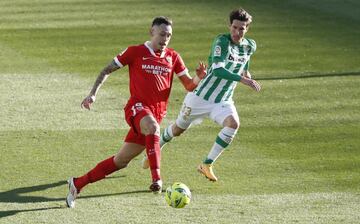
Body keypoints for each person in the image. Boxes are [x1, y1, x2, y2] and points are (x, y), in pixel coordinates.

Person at [66, 16, 206, 208]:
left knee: (120, 161)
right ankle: (157, 179)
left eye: (169, 35)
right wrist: (92, 94)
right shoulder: (136, 52)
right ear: (152, 32)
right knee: (153, 127)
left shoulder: (173, 57)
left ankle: (78, 183)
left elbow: (189, 86)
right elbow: (107, 69)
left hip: (154, 117)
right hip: (136, 108)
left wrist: (198, 78)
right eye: (162, 34)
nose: (165, 39)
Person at [142, 8, 261, 182]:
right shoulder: (221, 42)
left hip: (223, 100)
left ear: (247, 29)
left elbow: (245, 63)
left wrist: (246, 74)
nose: (237, 32)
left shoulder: (250, 45)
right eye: (234, 27)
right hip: (200, 98)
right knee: (177, 129)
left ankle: (207, 164)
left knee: (233, 124)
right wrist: (242, 80)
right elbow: (218, 69)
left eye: (241, 29)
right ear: (229, 25)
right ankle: (155, 149)